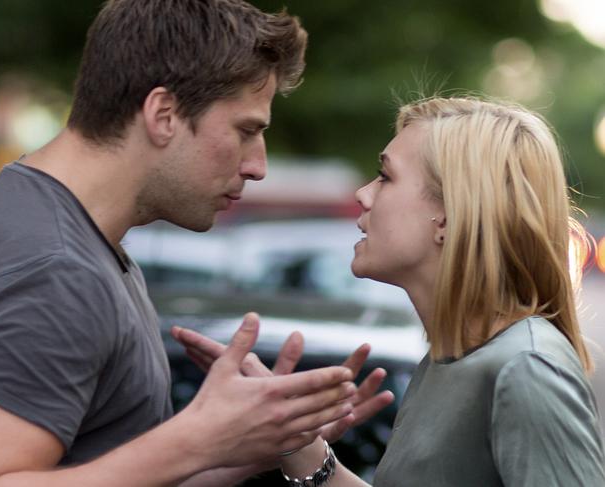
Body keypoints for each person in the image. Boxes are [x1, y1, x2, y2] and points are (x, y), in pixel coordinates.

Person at [0, 1, 394, 486]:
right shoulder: (55, 269)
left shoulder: (67, 230)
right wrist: (198, 439)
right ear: (163, 114)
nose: (257, 165)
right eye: (246, 130)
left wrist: (252, 443)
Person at [174, 96, 605, 486]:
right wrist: (298, 442)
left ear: (449, 216)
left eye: (385, 177)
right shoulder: (454, 356)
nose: (363, 195)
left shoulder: (524, 366)